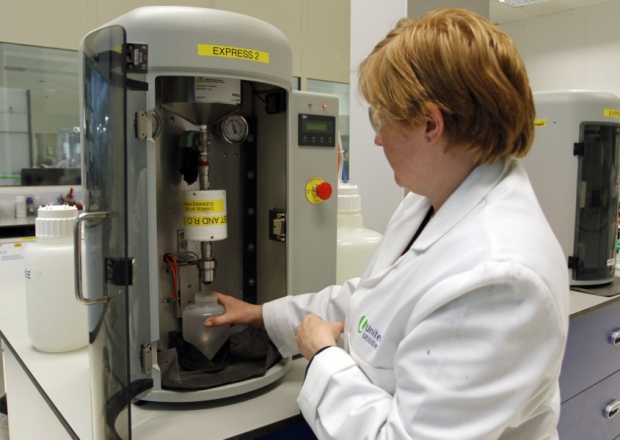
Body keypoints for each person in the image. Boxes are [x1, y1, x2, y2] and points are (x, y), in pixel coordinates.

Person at [206, 8, 569, 439]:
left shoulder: (499, 279)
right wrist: (262, 315)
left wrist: (322, 356)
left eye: (382, 117)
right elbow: (373, 300)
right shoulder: (428, 201)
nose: (377, 137)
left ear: (431, 124)